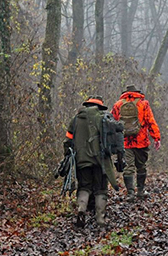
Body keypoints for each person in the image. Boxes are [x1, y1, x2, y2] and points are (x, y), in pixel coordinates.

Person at [64, 96, 119, 228]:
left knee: (84, 187)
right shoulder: (104, 119)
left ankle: (81, 210)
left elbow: (67, 141)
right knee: (101, 189)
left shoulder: (76, 119)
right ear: (100, 107)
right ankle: (100, 219)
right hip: (101, 161)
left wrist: (67, 155)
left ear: (86, 105)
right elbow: (113, 142)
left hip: (82, 160)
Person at [111, 84, 161, 201]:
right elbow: (150, 121)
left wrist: (112, 140)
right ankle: (140, 191)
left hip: (125, 142)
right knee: (141, 167)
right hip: (141, 141)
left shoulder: (118, 105)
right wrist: (156, 138)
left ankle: (130, 193)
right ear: (137, 92)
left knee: (128, 167)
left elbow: (112, 123)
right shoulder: (143, 104)